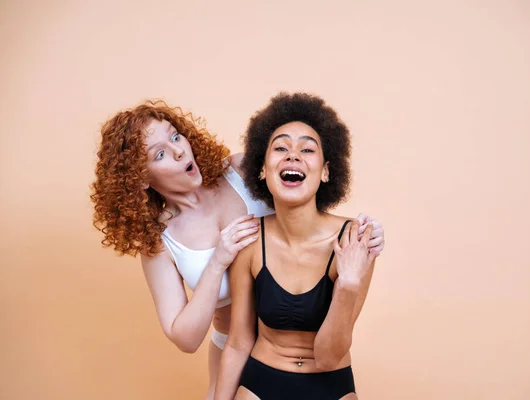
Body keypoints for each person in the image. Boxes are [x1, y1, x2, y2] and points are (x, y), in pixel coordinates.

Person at [90, 100, 385, 399]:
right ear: (138, 179)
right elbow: (186, 338)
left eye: (175, 136)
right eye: (161, 153)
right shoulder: (159, 239)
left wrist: (365, 233)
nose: (179, 150)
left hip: (304, 340)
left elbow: (303, 195)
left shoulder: (241, 170)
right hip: (235, 346)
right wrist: (217, 262)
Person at [215, 92, 381, 400]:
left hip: (330, 383)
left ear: (327, 171)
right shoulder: (250, 241)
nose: (293, 155)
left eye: (307, 149)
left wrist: (348, 283)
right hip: (260, 382)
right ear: (262, 170)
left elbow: (330, 356)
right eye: (280, 147)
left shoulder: (354, 239)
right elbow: (238, 342)